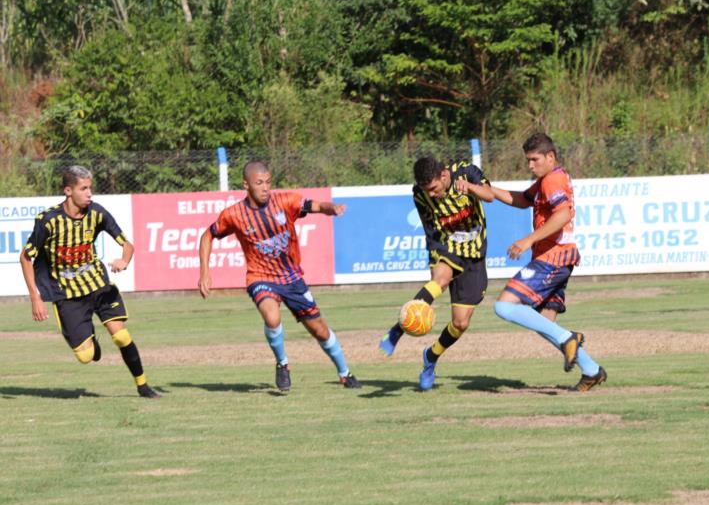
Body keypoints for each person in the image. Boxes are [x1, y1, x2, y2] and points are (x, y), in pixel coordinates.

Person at [198, 161, 361, 391]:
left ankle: (345, 373)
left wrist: (329, 208)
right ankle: (283, 364)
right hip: (260, 277)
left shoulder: (285, 201)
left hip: (292, 278)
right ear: (246, 185)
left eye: (268, 182)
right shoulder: (234, 214)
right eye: (259, 183)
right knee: (272, 318)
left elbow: (312, 205)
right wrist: (205, 271)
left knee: (320, 331)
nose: (265, 188)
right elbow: (207, 235)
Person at [19, 165, 160, 398]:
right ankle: (89, 340)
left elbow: (128, 245)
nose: (89, 194)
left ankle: (143, 386)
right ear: (68, 191)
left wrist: (124, 261)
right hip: (67, 294)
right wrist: (35, 297)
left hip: (98, 285)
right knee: (86, 356)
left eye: (90, 188)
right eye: (83, 189)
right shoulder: (48, 221)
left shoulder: (97, 213)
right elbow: (25, 257)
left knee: (121, 335)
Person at [492, 133, 606, 391]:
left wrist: (528, 240)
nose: (530, 166)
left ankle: (571, 339)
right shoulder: (547, 179)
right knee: (544, 322)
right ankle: (591, 369)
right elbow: (522, 200)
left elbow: (563, 214)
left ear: (550, 157)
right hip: (561, 258)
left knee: (504, 306)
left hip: (553, 256)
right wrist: (488, 190)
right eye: (528, 160)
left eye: (534, 160)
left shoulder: (552, 180)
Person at [379, 156, 494, 391]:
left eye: (433, 189)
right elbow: (429, 227)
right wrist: (436, 255)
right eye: (426, 190)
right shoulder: (420, 194)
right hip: (446, 245)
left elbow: (490, 196)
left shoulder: (466, 171)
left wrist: (471, 188)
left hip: (474, 253)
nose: (431, 194)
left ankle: (431, 356)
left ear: (443, 176)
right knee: (439, 280)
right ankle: (398, 328)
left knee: (460, 323)